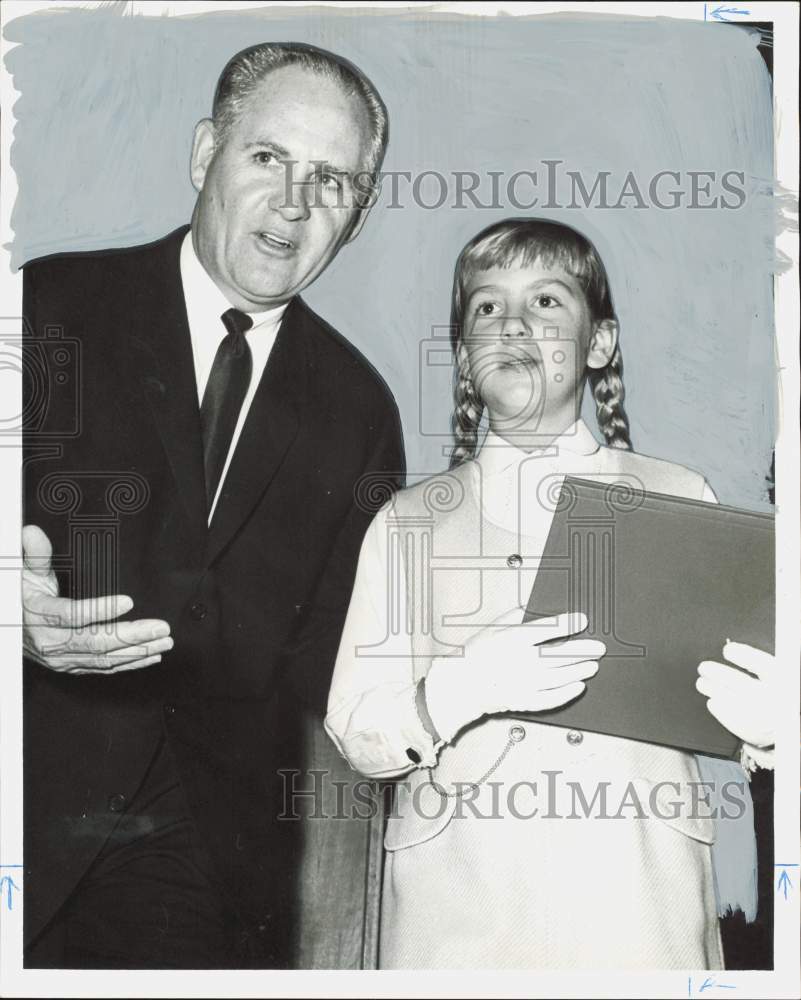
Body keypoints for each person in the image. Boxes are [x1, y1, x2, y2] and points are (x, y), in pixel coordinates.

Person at [21, 42, 403, 969]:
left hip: (207, 864)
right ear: (204, 156)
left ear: (355, 215)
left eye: (334, 182)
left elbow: (343, 666)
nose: (295, 204)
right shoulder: (43, 306)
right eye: (267, 158)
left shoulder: (360, 409)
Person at [325, 218, 775, 969]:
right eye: (486, 307)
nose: (511, 325)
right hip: (458, 917)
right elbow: (356, 731)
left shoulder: (680, 496)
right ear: (465, 357)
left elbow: (733, 706)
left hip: (638, 907)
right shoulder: (405, 521)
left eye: (544, 302)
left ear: (598, 344)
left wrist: (767, 732)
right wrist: (458, 690)